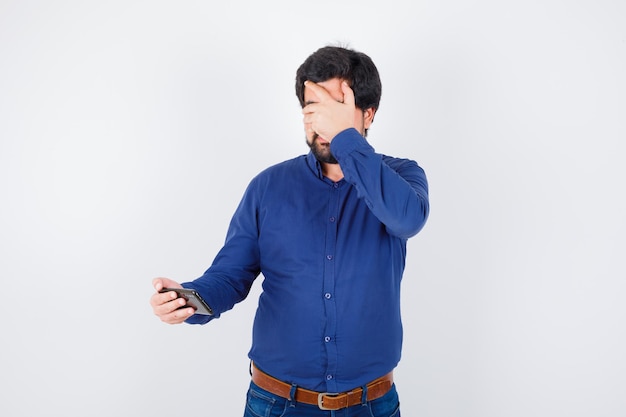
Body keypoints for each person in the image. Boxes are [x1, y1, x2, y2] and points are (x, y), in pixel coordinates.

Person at [150, 45, 429, 417]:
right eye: (312, 109)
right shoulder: (268, 187)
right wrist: (189, 301)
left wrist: (346, 138)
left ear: (368, 114)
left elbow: (407, 220)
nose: (321, 124)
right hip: (276, 405)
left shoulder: (402, 177)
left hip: (371, 406)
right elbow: (230, 277)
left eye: (333, 109)